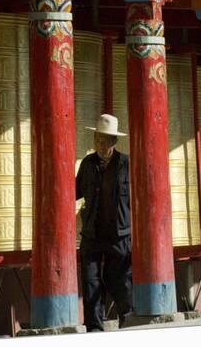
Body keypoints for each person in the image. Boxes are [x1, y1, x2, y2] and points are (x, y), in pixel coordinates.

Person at [76, 114, 133, 331]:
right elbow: (74, 191)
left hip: (119, 234)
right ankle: (94, 330)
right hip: (92, 234)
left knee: (121, 283)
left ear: (114, 142)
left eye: (105, 140)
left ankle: (127, 326)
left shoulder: (125, 164)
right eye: (97, 140)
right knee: (91, 284)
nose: (100, 145)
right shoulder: (88, 164)